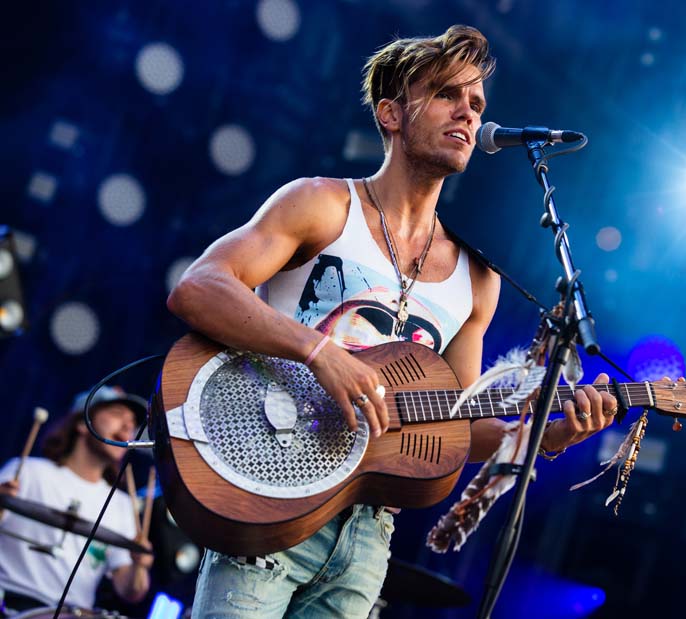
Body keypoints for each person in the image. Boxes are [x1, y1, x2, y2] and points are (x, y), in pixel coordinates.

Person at [167, 24, 618, 619]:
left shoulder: (476, 280)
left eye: (477, 102)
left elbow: (454, 428)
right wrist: (320, 352)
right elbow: (199, 288)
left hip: (366, 538)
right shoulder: (323, 205)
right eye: (446, 94)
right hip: (273, 494)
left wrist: (547, 437)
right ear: (391, 114)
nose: (468, 111)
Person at [0, 386, 154, 614]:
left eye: (132, 422)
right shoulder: (26, 471)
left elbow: (129, 592)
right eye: (116, 414)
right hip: (9, 601)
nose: (128, 425)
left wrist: (139, 566)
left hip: (72, 613)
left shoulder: (121, 504)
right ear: (83, 423)